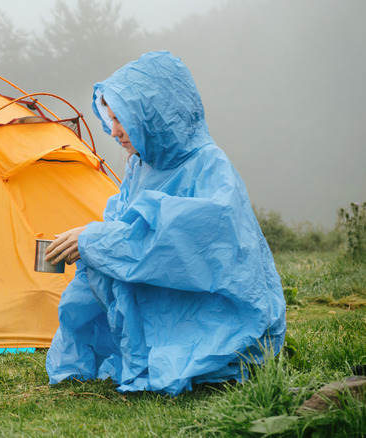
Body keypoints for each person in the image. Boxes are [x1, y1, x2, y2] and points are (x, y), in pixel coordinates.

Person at [44, 51, 286, 396]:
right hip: (164, 300)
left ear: (151, 117)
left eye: (122, 120)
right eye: (109, 119)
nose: (113, 132)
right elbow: (125, 226)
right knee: (98, 259)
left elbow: (192, 241)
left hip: (216, 306)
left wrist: (97, 239)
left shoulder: (207, 163)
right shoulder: (141, 165)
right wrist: (91, 242)